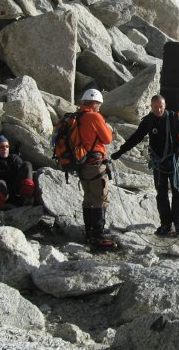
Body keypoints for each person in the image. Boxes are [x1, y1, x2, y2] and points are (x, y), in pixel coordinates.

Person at [111, 94, 179, 236]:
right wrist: (121, 151)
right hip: (158, 163)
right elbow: (136, 137)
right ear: (151, 107)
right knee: (161, 194)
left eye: (160, 107)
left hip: (173, 161)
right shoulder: (149, 121)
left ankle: (178, 223)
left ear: (164, 106)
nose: (158, 110)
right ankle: (166, 224)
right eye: (155, 107)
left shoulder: (173, 118)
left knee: (177, 192)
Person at [75, 88, 115, 249]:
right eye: (99, 104)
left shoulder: (77, 116)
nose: (99, 107)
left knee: (89, 197)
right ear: (95, 103)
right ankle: (98, 235)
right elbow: (107, 139)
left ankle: (89, 232)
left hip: (81, 163)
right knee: (100, 197)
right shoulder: (94, 116)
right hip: (95, 164)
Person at [0, 135, 40, 222]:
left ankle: (27, 197)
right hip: (1, 193)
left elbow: (24, 171)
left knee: (27, 164)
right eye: (1, 147)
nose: (5, 149)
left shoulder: (14, 158)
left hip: (16, 191)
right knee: (1, 182)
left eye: (7, 146)